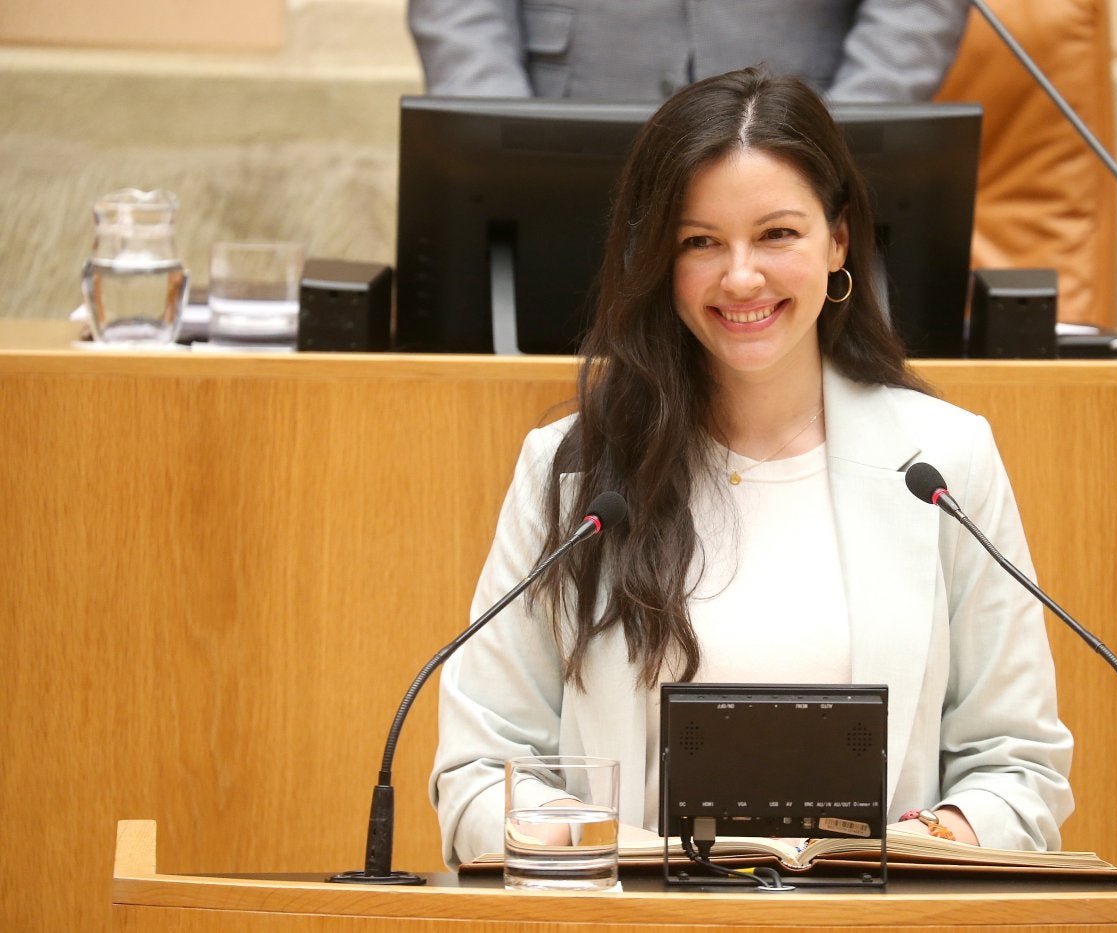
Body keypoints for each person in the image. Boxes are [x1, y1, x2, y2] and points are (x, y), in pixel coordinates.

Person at [430, 66, 1072, 868]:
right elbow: (481, 766)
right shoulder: (574, 471)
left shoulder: (942, 464)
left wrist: (913, 846)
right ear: (660, 261)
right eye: (700, 242)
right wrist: (600, 845)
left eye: (777, 234)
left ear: (837, 239)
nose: (741, 277)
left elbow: (1017, 765)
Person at [408, 0, 969, 102]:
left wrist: (841, 141)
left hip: (804, 116)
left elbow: (913, 12)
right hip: (561, 129)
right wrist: (497, 132)